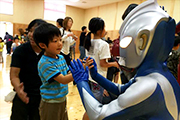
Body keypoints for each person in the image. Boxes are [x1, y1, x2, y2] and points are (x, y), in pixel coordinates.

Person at [69, 1, 180, 120]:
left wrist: (81, 82)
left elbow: (99, 115)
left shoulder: (149, 86)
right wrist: (96, 76)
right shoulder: (156, 74)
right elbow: (120, 89)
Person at [33, 23, 74, 120]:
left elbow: (68, 73)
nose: (60, 43)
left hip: (62, 99)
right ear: (43, 45)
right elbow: (63, 79)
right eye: (55, 41)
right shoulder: (45, 63)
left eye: (60, 39)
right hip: (50, 103)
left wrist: (79, 67)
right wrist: (80, 71)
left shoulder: (60, 57)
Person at [83, 17, 119, 120]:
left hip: (89, 77)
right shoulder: (104, 44)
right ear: (100, 30)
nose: (105, 30)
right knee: (94, 108)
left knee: (91, 105)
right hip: (98, 79)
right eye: (104, 28)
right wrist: (114, 64)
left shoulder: (89, 42)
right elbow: (103, 64)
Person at [10, 19, 46, 120]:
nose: (31, 34)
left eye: (36, 31)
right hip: (23, 96)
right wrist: (18, 88)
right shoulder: (21, 50)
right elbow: (14, 75)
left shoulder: (48, 52)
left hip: (43, 98)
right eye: (30, 31)